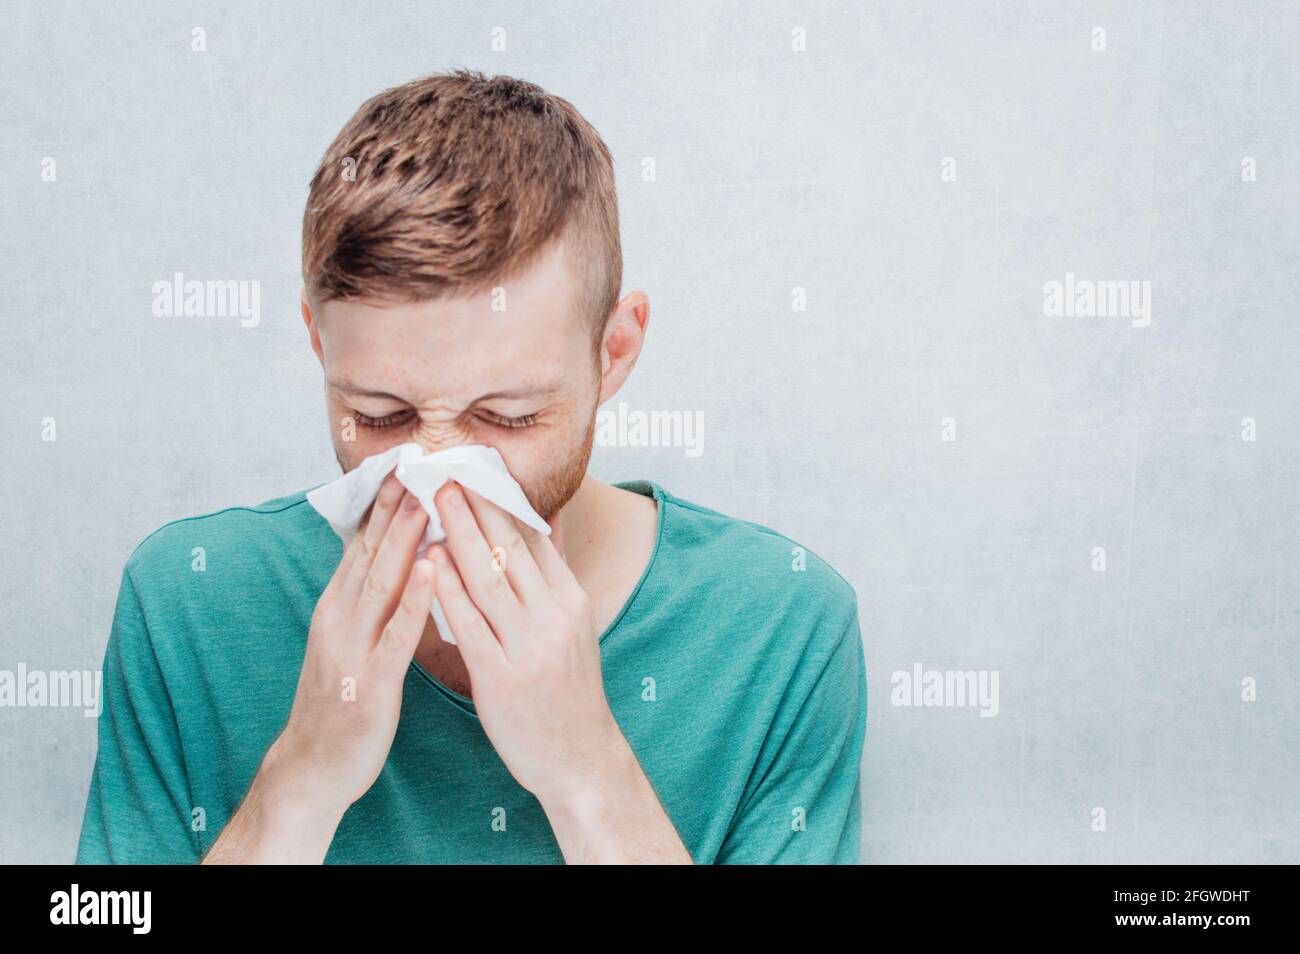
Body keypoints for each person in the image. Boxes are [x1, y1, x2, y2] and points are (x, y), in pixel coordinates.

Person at [75, 69, 867, 864]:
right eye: (381, 414)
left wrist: (589, 774)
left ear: (614, 351)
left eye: (509, 416)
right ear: (319, 344)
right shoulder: (189, 599)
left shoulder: (782, 624)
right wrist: (301, 780)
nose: (440, 471)